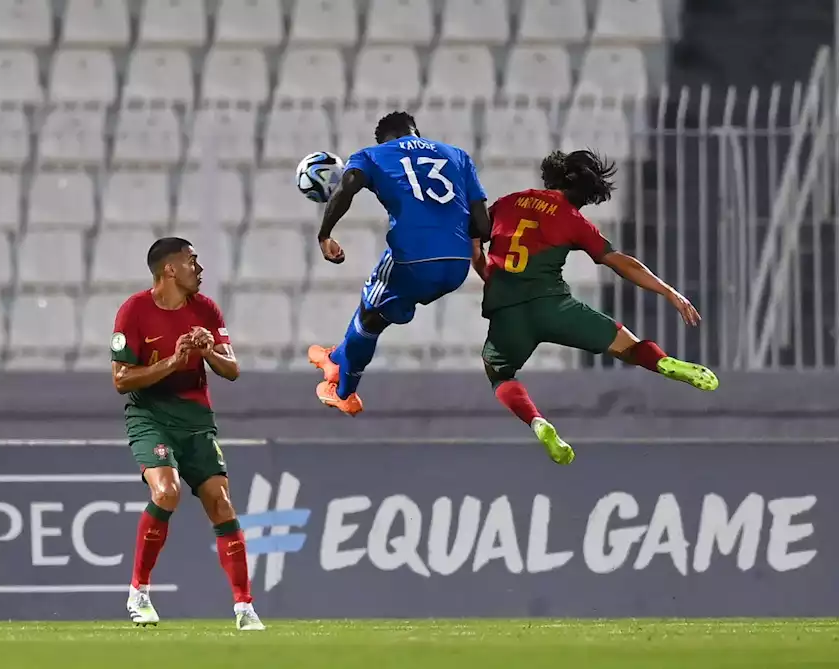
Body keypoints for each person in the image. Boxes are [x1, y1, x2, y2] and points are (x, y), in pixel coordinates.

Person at [476, 149, 719, 464]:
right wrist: (669, 291)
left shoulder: (509, 202)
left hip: (507, 312)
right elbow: (620, 263)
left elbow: (474, 235)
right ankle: (663, 363)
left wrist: (484, 268)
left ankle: (538, 422)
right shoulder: (572, 218)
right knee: (628, 346)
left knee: (499, 373)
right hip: (554, 307)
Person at [109, 237, 265, 631]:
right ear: (170, 269)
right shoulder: (134, 312)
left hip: (196, 419)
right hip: (151, 415)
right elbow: (121, 380)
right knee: (166, 491)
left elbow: (231, 370)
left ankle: (244, 607)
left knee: (221, 502)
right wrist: (175, 362)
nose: (200, 268)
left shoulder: (206, 309)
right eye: (192, 260)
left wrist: (207, 351)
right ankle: (139, 591)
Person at [309, 111, 491, 415]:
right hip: (457, 266)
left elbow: (350, 181)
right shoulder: (458, 156)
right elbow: (483, 226)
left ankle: (343, 390)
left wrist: (324, 234)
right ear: (415, 131)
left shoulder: (373, 155)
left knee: (368, 312)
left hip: (414, 258)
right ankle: (338, 357)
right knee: (380, 313)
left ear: (384, 139)